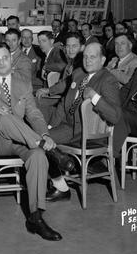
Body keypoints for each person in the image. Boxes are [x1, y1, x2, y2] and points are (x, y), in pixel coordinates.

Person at [0, 43, 73, 241]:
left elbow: (33, 114)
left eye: (5, 58)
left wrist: (44, 134)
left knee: (38, 156)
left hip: (20, 139)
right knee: (3, 116)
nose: (1, 62)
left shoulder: (23, 83)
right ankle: (52, 151)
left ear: (11, 58)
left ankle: (36, 217)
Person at [46, 42, 122, 200]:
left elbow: (115, 116)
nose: (87, 60)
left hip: (88, 133)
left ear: (102, 60)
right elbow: (63, 104)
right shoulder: (78, 73)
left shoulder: (108, 80)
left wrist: (95, 97)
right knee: (40, 138)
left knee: (41, 142)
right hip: (69, 127)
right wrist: (49, 126)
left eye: (92, 57)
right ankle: (60, 168)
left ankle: (60, 186)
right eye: (85, 56)